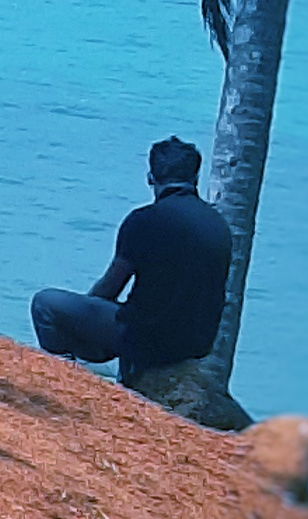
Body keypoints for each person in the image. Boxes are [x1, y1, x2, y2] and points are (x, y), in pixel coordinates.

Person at [33, 138, 234, 385]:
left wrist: (86, 317)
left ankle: (63, 382)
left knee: (45, 303)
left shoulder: (144, 221)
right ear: (195, 178)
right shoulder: (218, 225)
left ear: (151, 178)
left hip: (148, 340)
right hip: (197, 344)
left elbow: (109, 288)